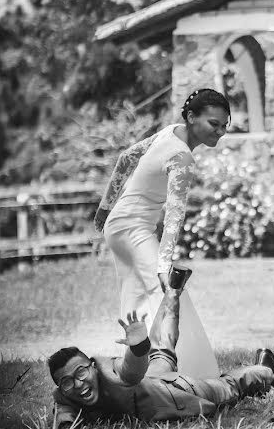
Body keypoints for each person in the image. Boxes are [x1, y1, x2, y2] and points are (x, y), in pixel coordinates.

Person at [94, 88, 231, 379]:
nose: (220, 131)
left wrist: (106, 208)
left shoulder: (169, 133)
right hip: (132, 228)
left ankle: (133, 372)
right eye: (213, 124)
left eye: (224, 125)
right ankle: (190, 374)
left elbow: (126, 157)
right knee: (168, 294)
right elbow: (174, 216)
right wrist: (163, 264)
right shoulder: (182, 157)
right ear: (191, 117)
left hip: (117, 227)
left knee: (135, 300)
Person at [47, 270, 274, 429]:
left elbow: (130, 371)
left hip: (176, 390)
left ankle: (267, 369)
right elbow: (64, 417)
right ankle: (173, 291)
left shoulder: (110, 373)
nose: (78, 384)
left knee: (229, 387)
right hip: (151, 380)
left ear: (92, 366)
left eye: (81, 373)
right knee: (162, 349)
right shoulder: (66, 395)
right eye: (67, 382)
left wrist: (138, 346)